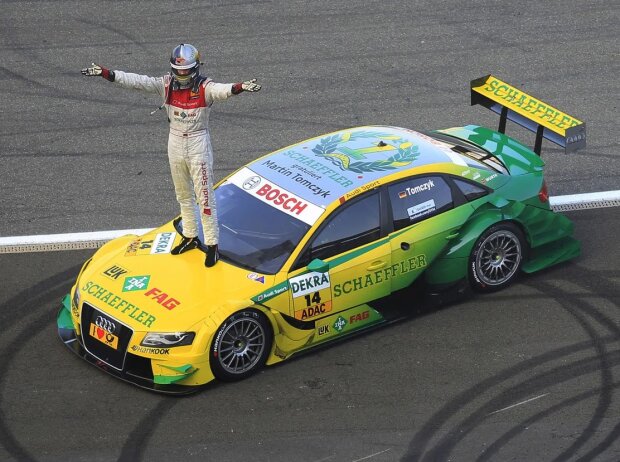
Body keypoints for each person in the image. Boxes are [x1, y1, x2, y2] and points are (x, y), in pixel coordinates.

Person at [81, 43, 261, 267]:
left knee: (204, 197)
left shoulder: (206, 87)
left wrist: (239, 87)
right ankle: (190, 236)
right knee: (183, 194)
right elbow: (137, 81)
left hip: (198, 143)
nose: (182, 74)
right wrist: (107, 74)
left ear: (195, 68)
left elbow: (222, 91)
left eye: (186, 70)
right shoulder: (165, 84)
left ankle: (213, 244)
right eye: (179, 70)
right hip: (174, 141)